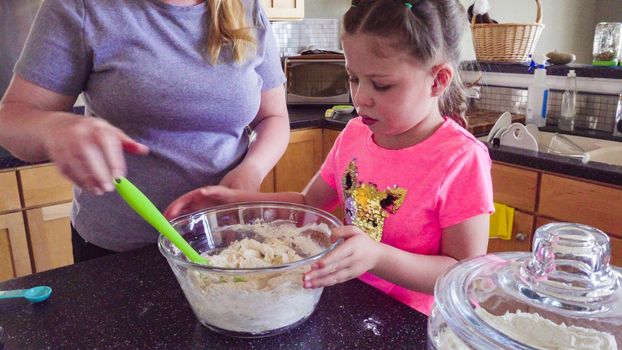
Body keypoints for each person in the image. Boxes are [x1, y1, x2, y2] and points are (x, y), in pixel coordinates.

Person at [163, 0, 493, 316]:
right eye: (353, 78)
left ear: (438, 80)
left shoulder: (461, 159)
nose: (361, 97)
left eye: (381, 85)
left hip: (414, 321)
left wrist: (376, 256)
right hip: (351, 300)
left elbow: (461, 272)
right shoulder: (354, 134)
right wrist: (240, 200)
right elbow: (310, 203)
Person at [0, 0, 289, 262]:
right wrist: (54, 129)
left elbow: (273, 117)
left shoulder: (246, 7)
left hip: (225, 242)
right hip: (121, 252)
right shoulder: (83, 7)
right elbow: (11, 118)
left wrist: (251, 170)